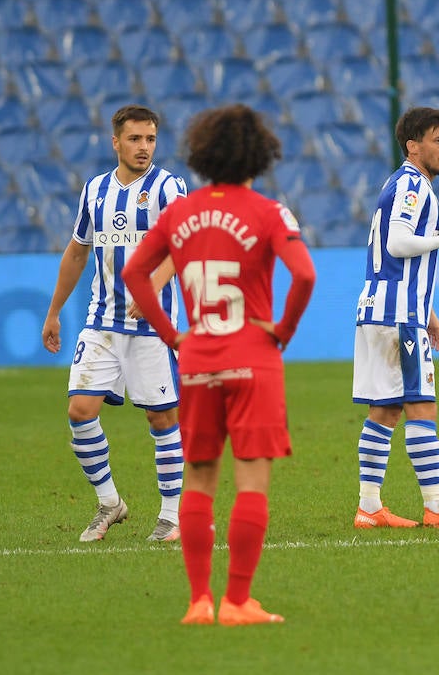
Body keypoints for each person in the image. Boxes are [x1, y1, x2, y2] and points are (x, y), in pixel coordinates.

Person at [122, 104, 316, 627]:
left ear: (203, 153)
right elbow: (304, 277)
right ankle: (237, 603)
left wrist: (172, 335)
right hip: (253, 357)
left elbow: (136, 274)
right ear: (260, 153)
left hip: (198, 357)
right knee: (251, 481)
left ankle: (197, 603)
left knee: (200, 480)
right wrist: (282, 331)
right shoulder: (271, 212)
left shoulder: (179, 213)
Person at [41, 104, 189, 543]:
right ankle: (110, 502)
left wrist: (152, 289)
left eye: (150, 139)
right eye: (135, 139)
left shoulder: (168, 187)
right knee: (79, 411)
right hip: (101, 322)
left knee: (162, 420)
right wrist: (53, 312)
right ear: (116, 142)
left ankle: (171, 515)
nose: (144, 147)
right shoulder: (95, 190)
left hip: (152, 325)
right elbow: (77, 251)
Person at [351, 106, 439, 529]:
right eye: (438, 140)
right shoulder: (413, 186)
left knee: (385, 410)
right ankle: (436, 507)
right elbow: (397, 244)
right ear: (413, 146)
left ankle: (369, 508)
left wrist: (426, 310)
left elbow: (392, 258)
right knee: (421, 407)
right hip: (396, 316)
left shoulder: (400, 183)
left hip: (382, 309)